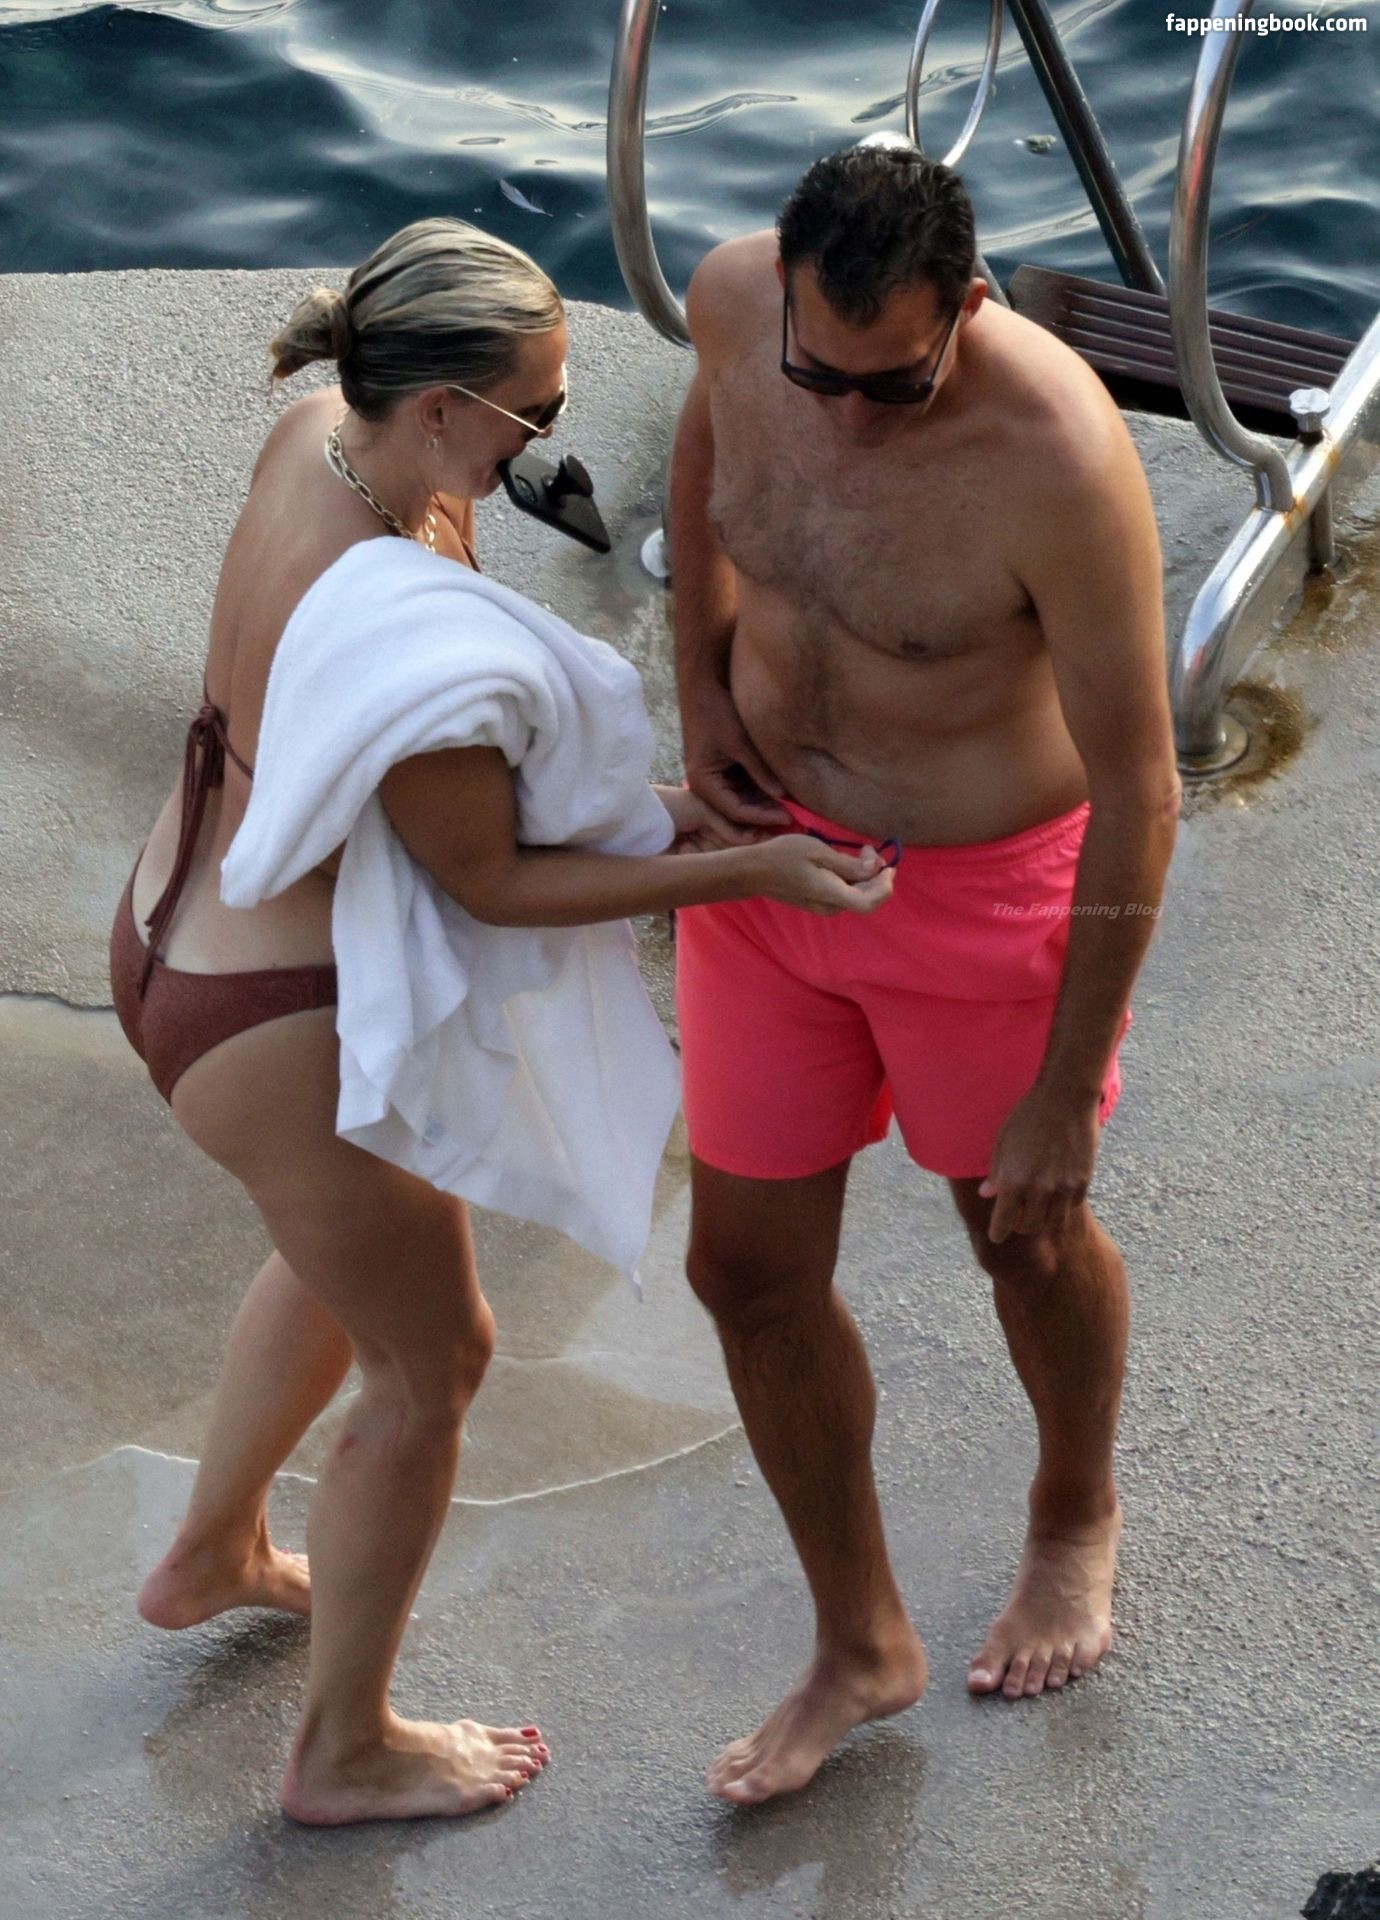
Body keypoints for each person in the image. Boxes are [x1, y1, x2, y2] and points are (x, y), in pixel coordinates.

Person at [108, 217, 892, 1828]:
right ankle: (345, 1753)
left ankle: (214, 1552)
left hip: (170, 921)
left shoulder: (317, 441)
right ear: (442, 406)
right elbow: (490, 881)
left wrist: (662, 804)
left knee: (347, 1252)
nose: (548, 439)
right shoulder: (386, 609)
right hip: (272, 1014)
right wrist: (745, 869)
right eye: (535, 412)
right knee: (436, 1358)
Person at [668, 145, 1183, 1804]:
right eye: (820, 375)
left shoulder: (1057, 456)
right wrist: (699, 689)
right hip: (766, 873)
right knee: (745, 1273)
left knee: (1020, 1231)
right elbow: (704, 458)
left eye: (893, 384)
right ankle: (858, 1642)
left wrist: (1068, 1092)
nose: (849, 420)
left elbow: (1143, 789)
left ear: (966, 306)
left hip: (979, 895)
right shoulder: (735, 305)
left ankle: (1074, 1512)